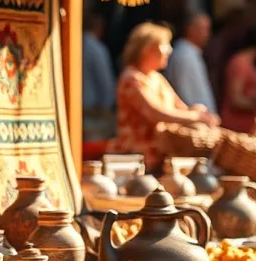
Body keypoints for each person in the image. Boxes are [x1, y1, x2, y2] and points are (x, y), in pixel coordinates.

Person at [115, 22, 219, 172]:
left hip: (163, 157)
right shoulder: (131, 79)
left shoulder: (156, 78)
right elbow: (155, 113)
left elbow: (181, 108)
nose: (169, 50)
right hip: (140, 159)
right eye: (165, 45)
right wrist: (195, 117)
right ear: (147, 49)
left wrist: (199, 113)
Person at [164, 12, 217, 113]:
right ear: (191, 29)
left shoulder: (191, 53)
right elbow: (187, 93)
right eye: (204, 29)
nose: (208, 34)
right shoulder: (185, 55)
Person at [221, 22, 256, 134]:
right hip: (237, 127)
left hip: (250, 127)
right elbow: (235, 99)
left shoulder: (254, 62)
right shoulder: (241, 62)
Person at [82, 13, 116, 143]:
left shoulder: (72, 43)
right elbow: (106, 85)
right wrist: (105, 111)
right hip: (93, 115)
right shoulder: (96, 49)